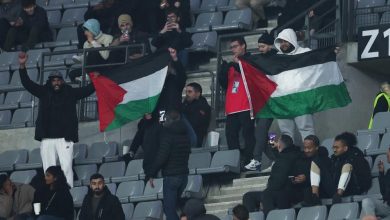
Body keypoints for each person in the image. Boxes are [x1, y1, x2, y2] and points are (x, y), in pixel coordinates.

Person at [18, 52, 95, 187]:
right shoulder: (43, 92)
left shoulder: (70, 92)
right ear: (50, 81)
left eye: (59, 80)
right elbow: (27, 84)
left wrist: (97, 79)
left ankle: (68, 194)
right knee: (48, 170)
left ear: (62, 81)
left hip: (65, 138)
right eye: (54, 80)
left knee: (66, 168)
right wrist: (22, 66)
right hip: (47, 138)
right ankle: (50, 195)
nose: (56, 82)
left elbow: (87, 90)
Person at [142, 48, 187, 185]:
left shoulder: (174, 80)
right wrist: (147, 114)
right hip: (158, 120)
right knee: (151, 142)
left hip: (174, 120)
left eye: (166, 67)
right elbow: (149, 103)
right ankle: (151, 174)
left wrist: (175, 59)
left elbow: (182, 77)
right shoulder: (152, 85)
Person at [218, 37, 255, 169]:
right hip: (232, 107)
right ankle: (237, 162)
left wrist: (236, 65)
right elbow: (225, 84)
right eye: (231, 47)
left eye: (235, 46)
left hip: (246, 104)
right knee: (230, 136)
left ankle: (251, 161)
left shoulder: (251, 59)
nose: (233, 49)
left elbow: (251, 76)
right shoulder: (231, 64)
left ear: (243, 46)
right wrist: (223, 72)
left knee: (248, 134)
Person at [147, 109, 191, 220]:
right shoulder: (185, 135)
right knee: (176, 206)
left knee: (169, 209)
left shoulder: (168, 136)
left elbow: (161, 157)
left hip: (171, 177)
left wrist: (151, 173)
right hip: (184, 176)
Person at [242, 135, 301, 215]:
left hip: (283, 192)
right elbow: (279, 156)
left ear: (280, 145)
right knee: (250, 196)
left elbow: (278, 182)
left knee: (260, 196)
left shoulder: (284, 159)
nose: (275, 143)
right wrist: (274, 147)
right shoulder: (290, 154)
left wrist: (265, 193)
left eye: (278, 142)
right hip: (285, 190)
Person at [273, 28, 313, 144]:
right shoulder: (276, 58)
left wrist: (330, 52)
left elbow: (317, 62)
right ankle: (289, 158)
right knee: (286, 133)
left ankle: (312, 159)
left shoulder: (305, 52)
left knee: (306, 129)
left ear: (292, 40)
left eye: (286, 41)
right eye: (281, 41)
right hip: (283, 101)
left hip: (301, 99)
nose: (283, 44)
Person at [244, 32, 277, 171]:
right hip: (261, 101)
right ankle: (276, 160)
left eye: (263, 46)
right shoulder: (258, 59)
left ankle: (257, 159)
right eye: (259, 46)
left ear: (270, 45)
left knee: (261, 132)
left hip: (272, 101)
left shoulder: (277, 59)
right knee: (261, 135)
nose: (260, 49)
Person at [309, 132, 372, 204]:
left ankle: (338, 195)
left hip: (350, 189)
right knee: (316, 161)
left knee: (347, 165)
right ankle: (315, 196)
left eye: (337, 147)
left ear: (345, 148)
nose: (334, 150)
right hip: (335, 187)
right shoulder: (334, 158)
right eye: (333, 147)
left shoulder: (356, 157)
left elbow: (363, 181)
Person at [361, 147, 390, 219]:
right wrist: (381, 173)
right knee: (366, 202)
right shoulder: (389, 172)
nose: (387, 154)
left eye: (388, 153)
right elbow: (383, 192)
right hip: (387, 206)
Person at [182, 82, 211, 148]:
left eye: (189, 92)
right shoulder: (185, 104)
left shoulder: (203, 106)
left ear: (198, 93)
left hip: (196, 137)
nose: (187, 94)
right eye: (186, 92)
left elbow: (196, 123)